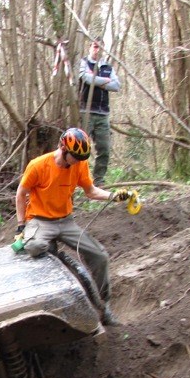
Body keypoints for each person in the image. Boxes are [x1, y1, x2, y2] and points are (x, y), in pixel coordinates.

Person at [15, 128, 131, 327]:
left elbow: (91, 192)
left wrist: (114, 196)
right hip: (39, 220)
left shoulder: (79, 165)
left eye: (81, 158)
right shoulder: (38, 165)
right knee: (34, 247)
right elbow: (21, 194)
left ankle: (105, 306)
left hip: (65, 221)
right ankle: (56, 260)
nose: (77, 161)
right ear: (63, 148)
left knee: (100, 256)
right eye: (75, 157)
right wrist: (20, 226)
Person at [77, 37, 122, 185]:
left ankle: (99, 181)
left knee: (104, 148)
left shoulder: (108, 67)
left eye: (100, 47)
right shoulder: (84, 62)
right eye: (95, 47)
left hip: (103, 113)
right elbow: (86, 78)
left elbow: (116, 86)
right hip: (86, 111)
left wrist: (98, 82)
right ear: (90, 47)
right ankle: (77, 179)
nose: (97, 50)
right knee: (80, 148)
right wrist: (104, 81)